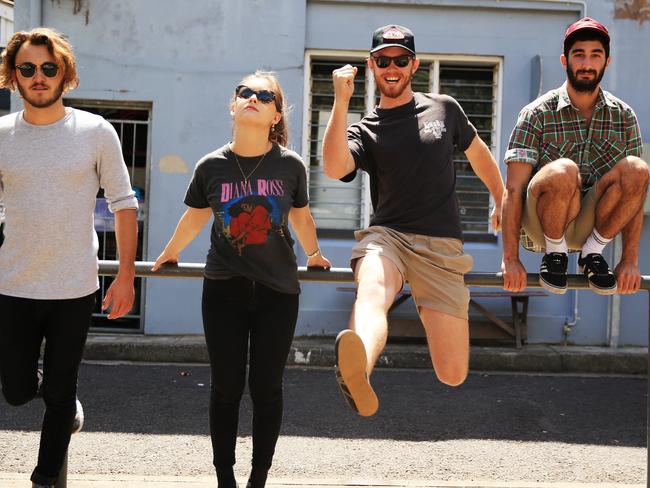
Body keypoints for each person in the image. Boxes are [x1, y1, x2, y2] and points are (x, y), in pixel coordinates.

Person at [152, 71, 331, 488]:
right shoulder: (211, 166)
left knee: (266, 388)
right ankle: (225, 477)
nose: (253, 97)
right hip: (224, 289)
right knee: (226, 386)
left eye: (264, 95)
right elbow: (196, 215)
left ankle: (258, 477)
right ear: (233, 106)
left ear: (275, 114)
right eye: (244, 92)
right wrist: (171, 250)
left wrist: (315, 254)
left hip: (277, 291)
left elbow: (301, 215)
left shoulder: (290, 165)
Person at [322, 25, 504, 417]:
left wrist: (502, 198)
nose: (392, 67)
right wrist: (341, 101)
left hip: (441, 250)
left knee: (453, 373)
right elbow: (335, 167)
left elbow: (478, 153)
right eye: (383, 60)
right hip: (388, 239)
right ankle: (359, 371)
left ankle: (423, 309)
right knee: (371, 288)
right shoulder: (365, 128)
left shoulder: (444, 108)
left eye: (400, 60)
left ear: (414, 65)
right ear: (371, 66)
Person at [0, 28, 138, 488]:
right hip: (12, 286)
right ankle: (49, 389)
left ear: (65, 74)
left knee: (61, 394)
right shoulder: (0, 135)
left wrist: (125, 278)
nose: (38, 76)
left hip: (75, 287)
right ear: (14, 77)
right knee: (17, 391)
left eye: (48, 67)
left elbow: (124, 204)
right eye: (27, 68)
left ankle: (42, 479)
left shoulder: (96, 131)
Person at [501, 17, 649, 296]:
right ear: (564, 60)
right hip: (541, 224)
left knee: (638, 169)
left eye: (596, 55)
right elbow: (513, 188)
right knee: (564, 170)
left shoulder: (624, 116)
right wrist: (510, 260)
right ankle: (555, 254)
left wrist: (629, 261)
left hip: (594, 225)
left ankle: (592, 254)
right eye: (578, 54)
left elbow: (636, 194)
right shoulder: (536, 113)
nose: (586, 63)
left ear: (607, 61)